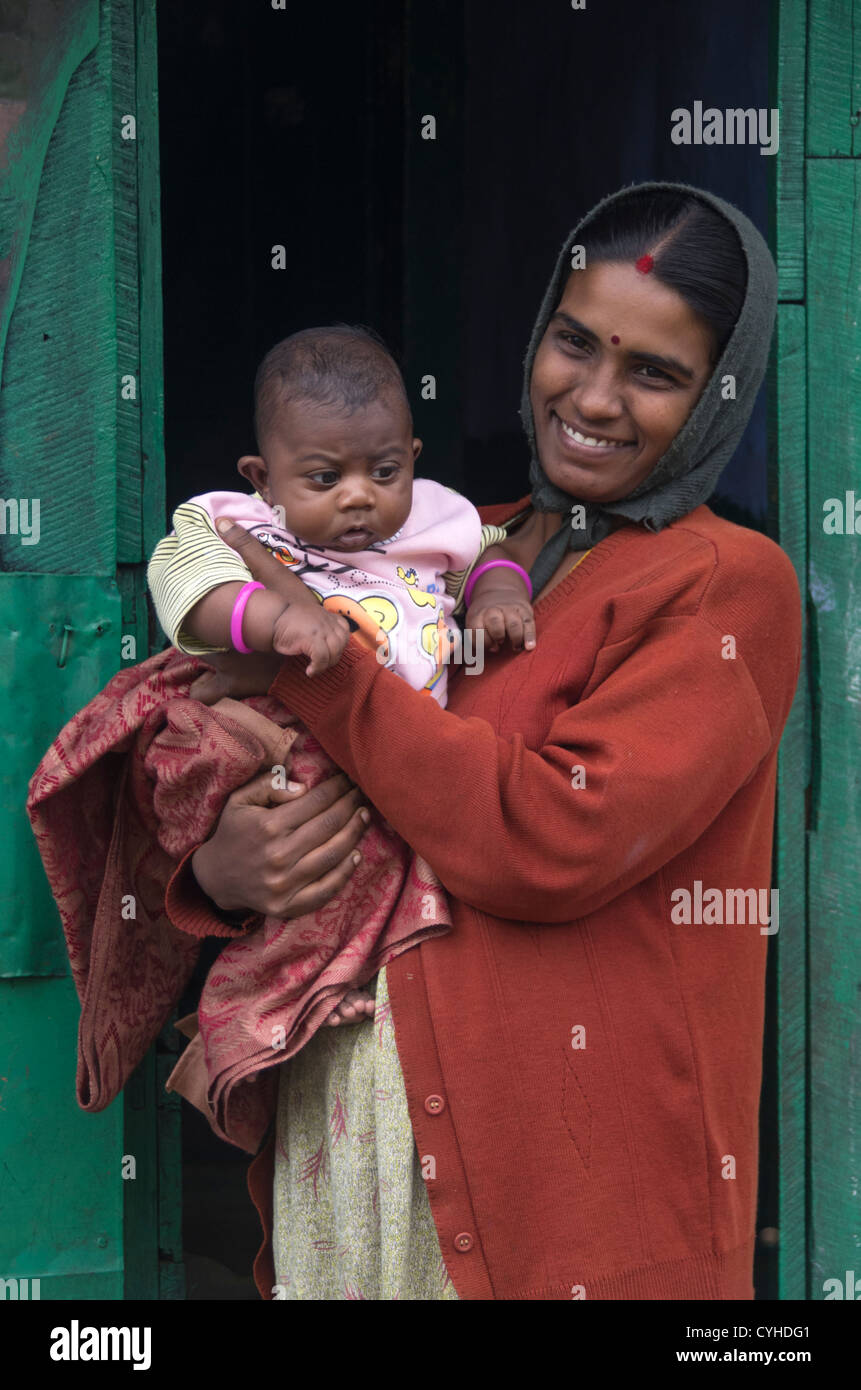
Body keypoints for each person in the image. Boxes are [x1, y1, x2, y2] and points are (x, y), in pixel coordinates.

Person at [165, 181, 802, 1300]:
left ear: (717, 398)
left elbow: (549, 837)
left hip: (573, 1205)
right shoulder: (455, 550)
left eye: (654, 373)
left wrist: (317, 657)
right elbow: (272, 765)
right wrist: (223, 867)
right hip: (356, 1147)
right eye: (575, 344)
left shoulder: (725, 587)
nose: (595, 398)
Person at [148, 324, 536, 1025]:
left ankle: (320, 989)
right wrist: (274, 622)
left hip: (388, 749)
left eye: (383, 472)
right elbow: (186, 582)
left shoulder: (435, 516)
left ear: (412, 458)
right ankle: (266, 1002)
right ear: (262, 478)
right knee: (264, 820)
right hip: (277, 732)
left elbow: (490, 551)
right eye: (324, 478)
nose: (358, 497)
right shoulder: (239, 522)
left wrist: (500, 593)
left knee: (374, 869)